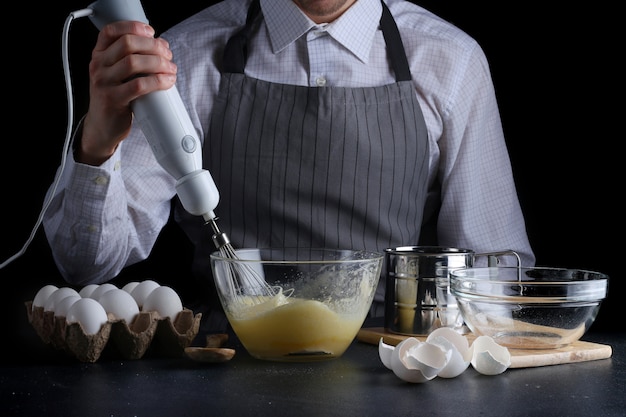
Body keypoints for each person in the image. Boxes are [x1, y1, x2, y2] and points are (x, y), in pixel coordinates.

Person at [42, 0, 535, 332]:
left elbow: (495, 274)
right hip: (228, 370)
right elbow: (88, 265)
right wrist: (99, 143)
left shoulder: (451, 60)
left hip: (391, 369)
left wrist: (437, 354)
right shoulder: (182, 58)